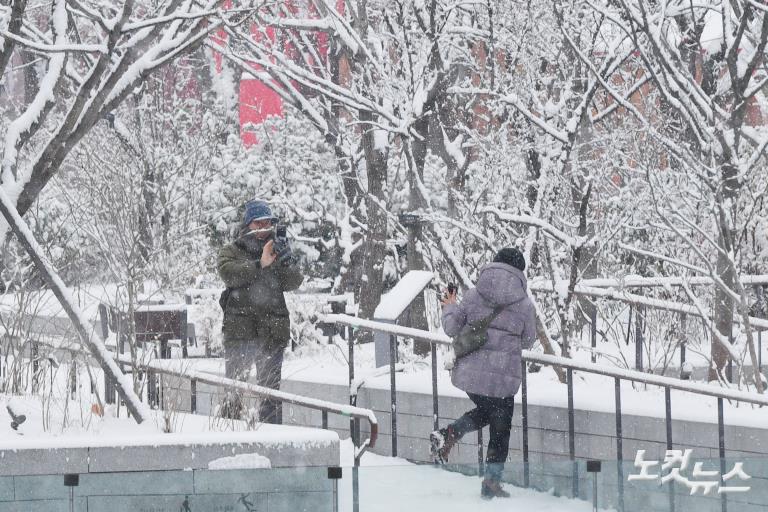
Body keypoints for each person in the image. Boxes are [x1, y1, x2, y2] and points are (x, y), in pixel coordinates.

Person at [430, 247, 536, 499]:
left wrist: (450, 306)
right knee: (500, 430)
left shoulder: (473, 295)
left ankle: (449, 434)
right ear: (519, 272)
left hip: (471, 377)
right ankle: (491, 482)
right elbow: (528, 340)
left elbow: (453, 327)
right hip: (502, 380)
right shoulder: (524, 304)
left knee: (488, 412)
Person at [217, 199, 303, 424]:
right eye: (258, 224)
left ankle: (272, 435)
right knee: (234, 389)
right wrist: (259, 264)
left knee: (271, 395)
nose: (264, 228)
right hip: (240, 333)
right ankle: (229, 432)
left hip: (272, 334)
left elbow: (294, 282)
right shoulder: (232, 250)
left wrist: (287, 261)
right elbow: (229, 274)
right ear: (248, 225)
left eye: (267, 223)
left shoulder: (276, 249)